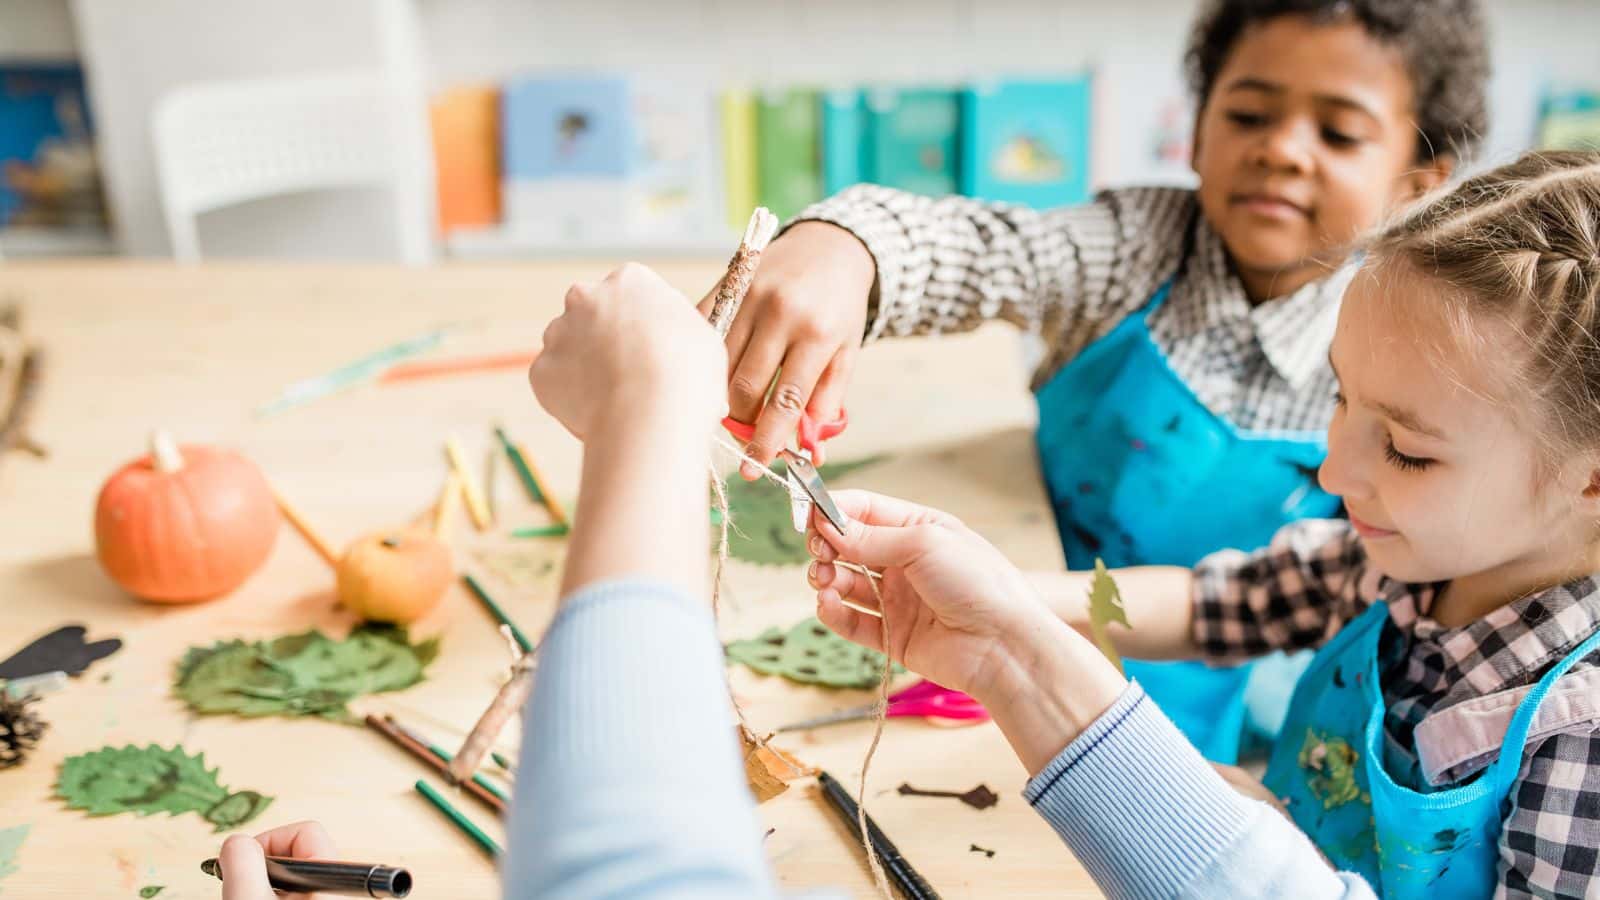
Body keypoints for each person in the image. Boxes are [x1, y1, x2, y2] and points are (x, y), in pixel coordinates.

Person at [704, 0, 1491, 761]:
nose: (1282, 149)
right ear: (1195, 133)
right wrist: (846, 247)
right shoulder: (1133, 247)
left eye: (1339, 131)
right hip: (966, 644)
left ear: (1417, 184)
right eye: (1249, 115)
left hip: (1173, 716)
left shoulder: (1388, 355)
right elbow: (978, 249)